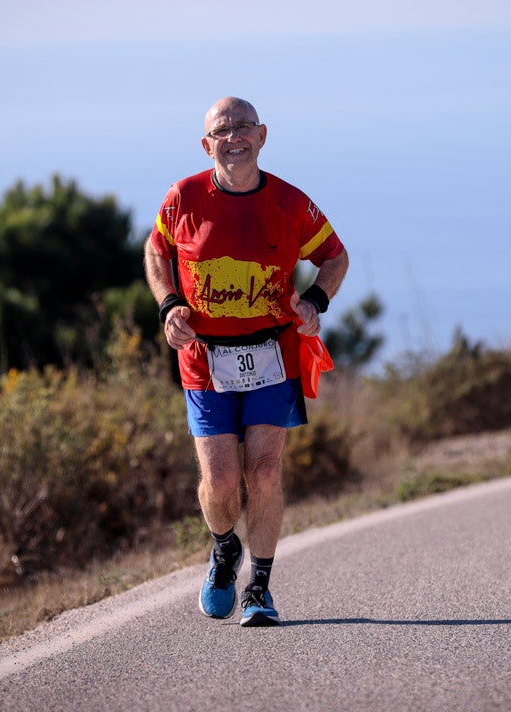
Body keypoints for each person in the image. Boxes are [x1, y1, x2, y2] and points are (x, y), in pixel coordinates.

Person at [144, 97, 348, 627]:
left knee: (263, 471)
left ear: (262, 136)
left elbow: (335, 257)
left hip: (272, 355)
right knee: (220, 481)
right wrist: (168, 305)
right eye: (222, 129)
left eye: (243, 127)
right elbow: (155, 251)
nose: (233, 136)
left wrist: (315, 301)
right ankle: (222, 548)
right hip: (204, 361)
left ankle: (259, 585)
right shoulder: (183, 197)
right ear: (206, 144)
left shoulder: (289, 202)